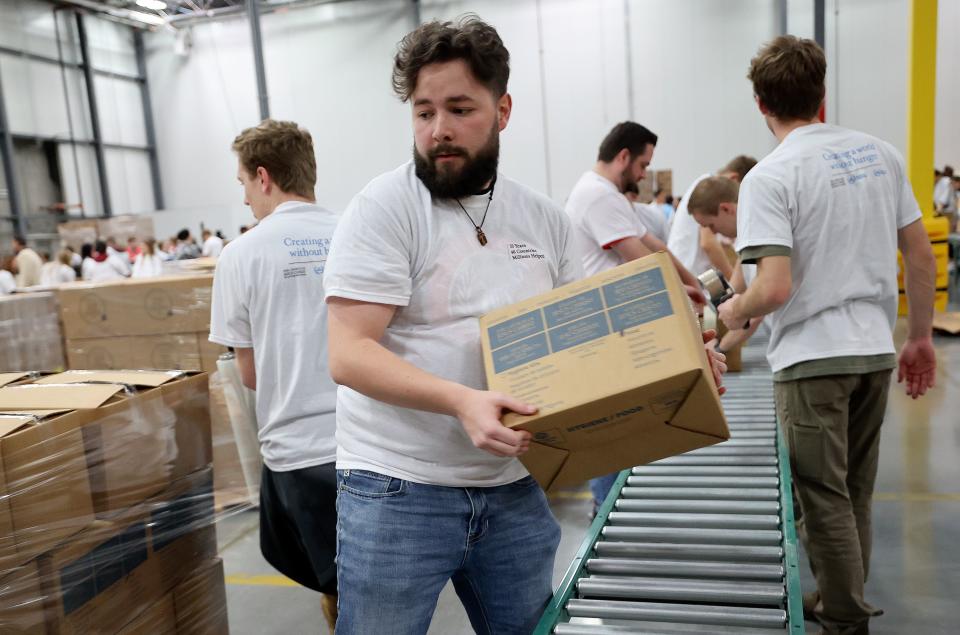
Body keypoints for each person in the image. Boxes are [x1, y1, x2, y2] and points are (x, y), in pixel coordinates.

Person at [323, 17, 583, 634]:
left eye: (460, 108)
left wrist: (675, 362)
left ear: (503, 109)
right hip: (396, 488)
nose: (439, 130)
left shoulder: (544, 220)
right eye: (423, 112)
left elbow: (579, 338)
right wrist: (463, 402)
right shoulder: (384, 210)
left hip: (513, 484)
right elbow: (349, 353)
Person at [716, 35, 937, 635]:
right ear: (822, 96)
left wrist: (734, 310)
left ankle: (844, 617)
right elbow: (920, 256)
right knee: (853, 492)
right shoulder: (881, 154)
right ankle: (842, 595)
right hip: (872, 351)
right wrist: (920, 337)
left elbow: (775, 288)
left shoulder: (771, 176)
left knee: (822, 496)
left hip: (813, 361)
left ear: (761, 102)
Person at [209, 119, 340, 631]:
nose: (244, 199)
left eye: (242, 183)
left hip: (300, 453)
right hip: (378, 445)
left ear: (263, 177)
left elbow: (249, 371)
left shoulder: (241, 255)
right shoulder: (358, 232)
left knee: (337, 587)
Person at [565, 122, 719, 510]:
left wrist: (697, 288)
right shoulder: (595, 196)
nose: (643, 174)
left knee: (625, 426)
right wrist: (680, 292)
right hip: (601, 331)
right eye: (642, 164)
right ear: (623, 157)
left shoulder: (609, 196)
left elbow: (656, 247)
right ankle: (604, 509)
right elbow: (639, 256)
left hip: (618, 329)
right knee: (611, 431)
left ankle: (612, 504)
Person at [667, 156, 756, 281]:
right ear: (734, 179)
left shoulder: (706, 185)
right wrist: (733, 283)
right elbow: (708, 243)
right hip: (691, 272)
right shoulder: (707, 190)